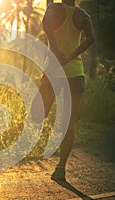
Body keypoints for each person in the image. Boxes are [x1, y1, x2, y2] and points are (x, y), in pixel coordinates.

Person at [41, 0, 95, 181]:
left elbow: (45, 24)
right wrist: (71, 56)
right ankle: (61, 167)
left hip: (54, 72)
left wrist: (55, 49)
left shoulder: (54, 9)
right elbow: (91, 38)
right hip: (75, 74)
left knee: (40, 112)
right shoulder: (82, 15)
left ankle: (44, 119)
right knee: (68, 123)